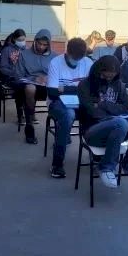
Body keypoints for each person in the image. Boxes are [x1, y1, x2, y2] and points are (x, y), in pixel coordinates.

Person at [77, 56, 128, 189]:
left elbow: (125, 108)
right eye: (105, 76)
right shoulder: (85, 85)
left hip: (117, 131)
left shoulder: (118, 84)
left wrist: (103, 104)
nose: (108, 79)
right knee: (121, 122)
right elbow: (92, 112)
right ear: (98, 72)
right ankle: (106, 167)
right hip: (93, 131)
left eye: (111, 77)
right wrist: (114, 111)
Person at [46, 38, 94, 178]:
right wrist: (79, 89)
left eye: (81, 57)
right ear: (67, 52)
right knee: (68, 115)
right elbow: (52, 93)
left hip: (81, 102)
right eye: (75, 57)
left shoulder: (88, 63)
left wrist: (65, 88)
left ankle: (97, 158)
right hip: (57, 103)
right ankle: (57, 164)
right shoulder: (56, 63)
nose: (77, 60)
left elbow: (91, 91)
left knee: (95, 113)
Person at [14, 29, 57, 145]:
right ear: (35, 41)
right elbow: (18, 76)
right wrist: (34, 79)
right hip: (30, 87)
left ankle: (61, 130)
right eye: (39, 43)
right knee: (30, 88)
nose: (41, 47)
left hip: (49, 87)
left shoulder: (54, 57)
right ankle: (29, 126)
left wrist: (49, 78)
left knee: (62, 91)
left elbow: (60, 76)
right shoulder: (24, 54)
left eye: (45, 45)